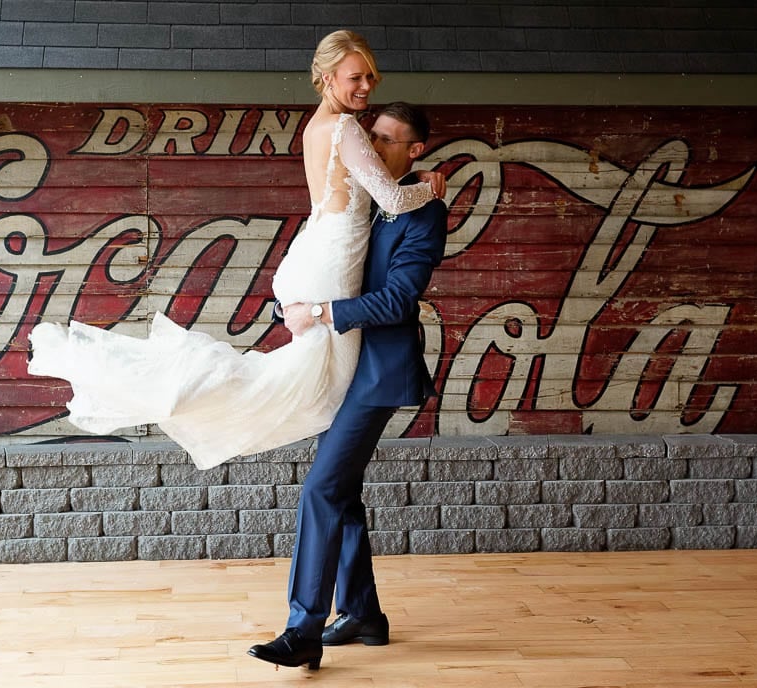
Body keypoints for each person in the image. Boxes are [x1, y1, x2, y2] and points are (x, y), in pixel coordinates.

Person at [26, 31, 443, 471]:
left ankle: (143, 379)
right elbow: (392, 200)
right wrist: (428, 185)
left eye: (371, 78)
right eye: (356, 77)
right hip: (333, 260)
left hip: (317, 251)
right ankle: (157, 385)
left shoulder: (315, 128)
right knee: (306, 385)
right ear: (326, 76)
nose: (366, 87)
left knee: (293, 381)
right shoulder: (344, 128)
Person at [246, 103, 448, 669]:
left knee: (321, 490)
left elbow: (398, 300)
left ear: (415, 152)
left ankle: (303, 627)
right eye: (370, 136)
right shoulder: (366, 195)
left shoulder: (423, 212)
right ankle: (362, 613)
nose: (372, 145)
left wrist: (325, 312)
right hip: (343, 363)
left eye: (386, 140)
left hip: (379, 372)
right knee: (343, 492)